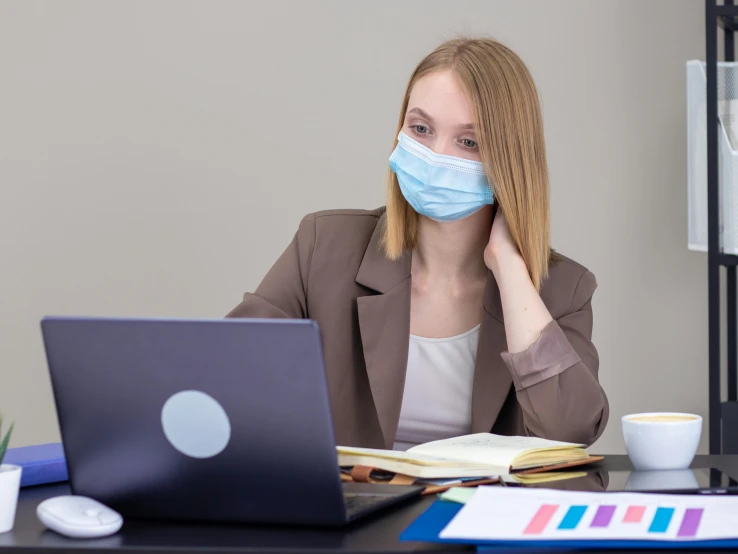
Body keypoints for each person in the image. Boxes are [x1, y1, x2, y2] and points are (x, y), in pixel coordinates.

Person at [227, 37, 608, 450]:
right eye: (421, 129)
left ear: (509, 161)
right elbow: (225, 374)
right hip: (360, 510)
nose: (434, 156)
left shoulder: (564, 289)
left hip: (483, 513)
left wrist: (511, 268)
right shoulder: (324, 246)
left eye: (469, 142)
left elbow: (570, 433)